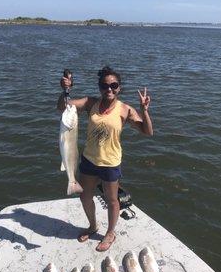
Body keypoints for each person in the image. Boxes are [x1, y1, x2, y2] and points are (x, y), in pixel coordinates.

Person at [57, 66, 153, 252]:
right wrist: (65, 90)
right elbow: (62, 107)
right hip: (89, 160)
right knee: (85, 197)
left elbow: (147, 132)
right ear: (100, 87)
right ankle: (93, 226)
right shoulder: (90, 103)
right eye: (105, 85)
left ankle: (110, 233)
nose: (109, 89)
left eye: (113, 85)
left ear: (119, 87)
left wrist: (144, 110)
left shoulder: (125, 110)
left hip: (110, 163)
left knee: (112, 200)